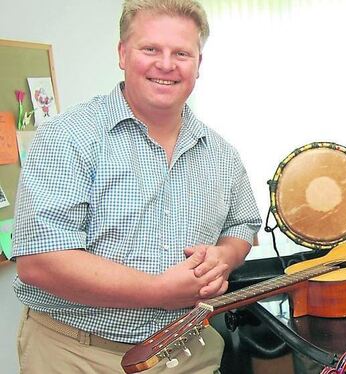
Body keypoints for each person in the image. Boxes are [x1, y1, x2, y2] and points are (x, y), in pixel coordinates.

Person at [11, 0, 262, 373]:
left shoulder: (222, 153)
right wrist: (158, 292)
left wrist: (222, 259)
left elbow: (242, 225)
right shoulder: (66, 136)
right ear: (123, 53)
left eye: (181, 53)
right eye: (150, 49)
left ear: (198, 64)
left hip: (189, 350)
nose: (166, 64)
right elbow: (39, 262)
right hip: (78, 354)